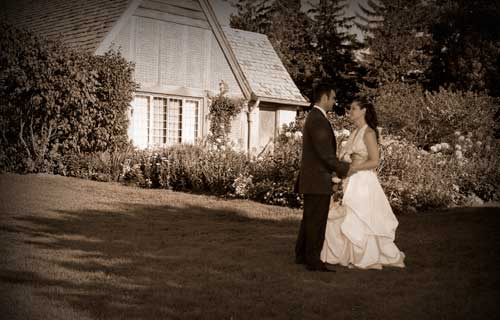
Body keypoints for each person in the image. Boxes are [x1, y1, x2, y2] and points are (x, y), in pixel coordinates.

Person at [320, 97, 405, 269]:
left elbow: (374, 161)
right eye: (350, 109)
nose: (350, 112)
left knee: (361, 217)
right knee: (349, 216)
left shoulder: (369, 133)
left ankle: (366, 256)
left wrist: (353, 168)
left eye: (353, 108)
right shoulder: (355, 132)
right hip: (351, 178)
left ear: (363, 110)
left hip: (363, 181)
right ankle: (351, 255)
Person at [295, 82, 351, 272]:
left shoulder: (315, 116)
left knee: (310, 219)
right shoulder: (318, 119)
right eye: (333, 98)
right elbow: (325, 154)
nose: (334, 102)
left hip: (313, 178)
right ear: (324, 97)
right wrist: (346, 169)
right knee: (316, 221)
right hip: (317, 179)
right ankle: (313, 261)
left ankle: (301, 254)